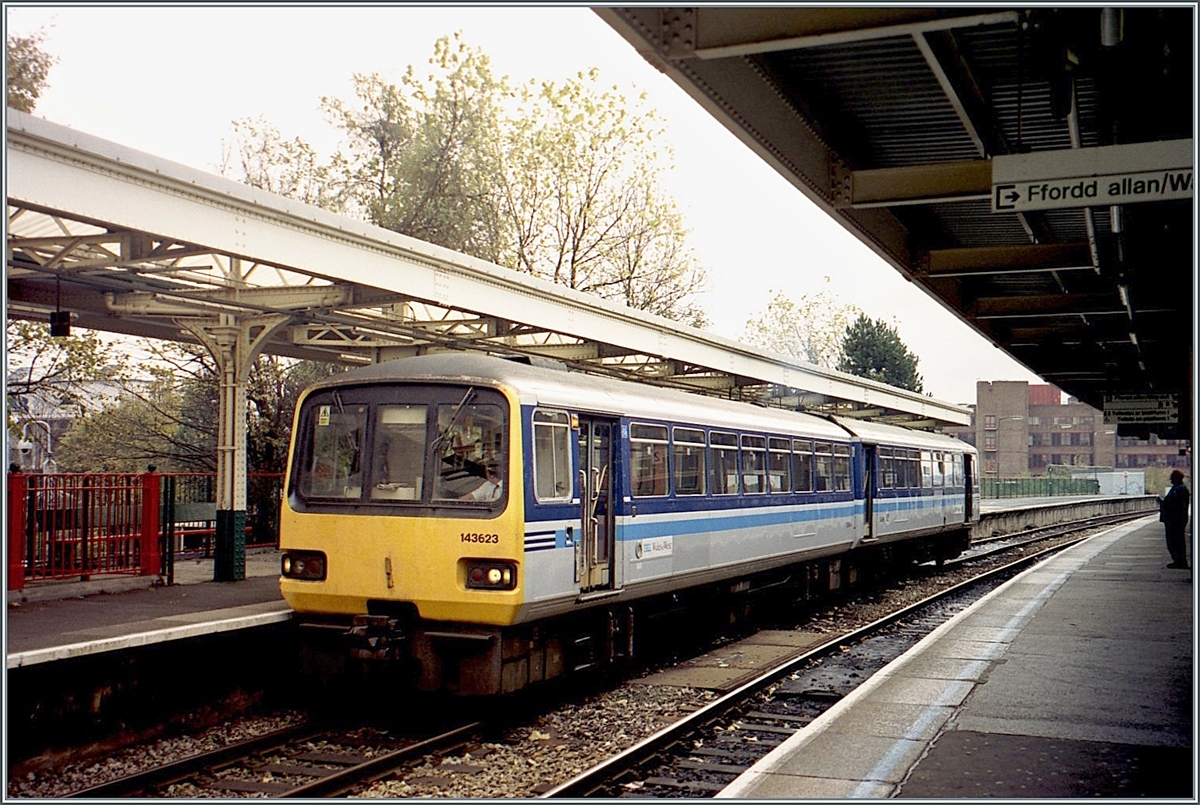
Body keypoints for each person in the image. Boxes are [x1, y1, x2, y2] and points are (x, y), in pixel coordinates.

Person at [1160, 469, 1191, 569]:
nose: (1171, 481)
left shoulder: (1179, 489)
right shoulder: (1178, 488)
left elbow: (1172, 503)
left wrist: (1162, 503)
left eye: (1172, 479)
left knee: (1175, 540)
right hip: (1175, 519)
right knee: (1175, 540)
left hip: (1175, 519)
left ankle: (1179, 561)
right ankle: (1178, 560)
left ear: (1176, 479)